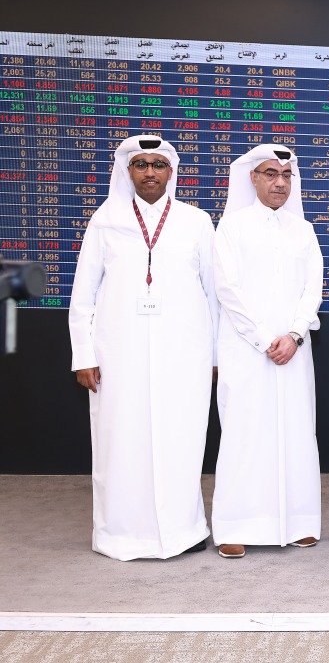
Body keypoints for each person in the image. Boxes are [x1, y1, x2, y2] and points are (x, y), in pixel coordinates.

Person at [68, 134, 218, 561]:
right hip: (119, 355)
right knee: (121, 444)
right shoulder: (104, 221)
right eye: (140, 164)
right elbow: (82, 296)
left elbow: (214, 295)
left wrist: (213, 357)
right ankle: (121, 534)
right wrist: (84, 355)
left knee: (182, 441)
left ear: (171, 172)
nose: (149, 172)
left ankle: (182, 531)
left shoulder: (196, 221)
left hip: (183, 355)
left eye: (157, 164)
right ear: (127, 171)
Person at [210, 144, 324, 558]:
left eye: (286, 175)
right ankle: (235, 526)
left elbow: (314, 288)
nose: (279, 182)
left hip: (294, 350)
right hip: (247, 351)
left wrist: (293, 335)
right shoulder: (231, 228)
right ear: (253, 179)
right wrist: (264, 338)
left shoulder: (304, 229)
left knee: (296, 433)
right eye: (270, 174)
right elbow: (227, 291)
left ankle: (298, 522)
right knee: (245, 434)